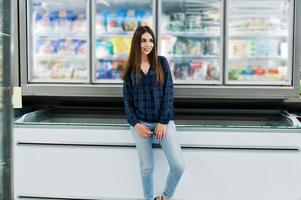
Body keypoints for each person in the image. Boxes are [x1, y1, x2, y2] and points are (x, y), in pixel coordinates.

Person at [122, 25, 185, 200]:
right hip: (140, 124)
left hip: (162, 122)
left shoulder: (161, 63)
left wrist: (163, 122)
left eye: (151, 40)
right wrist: (136, 124)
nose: (148, 44)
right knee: (147, 167)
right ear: (137, 42)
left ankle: (165, 197)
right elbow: (127, 102)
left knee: (178, 165)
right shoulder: (130, 70)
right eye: (143, 40)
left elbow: (169, 93)